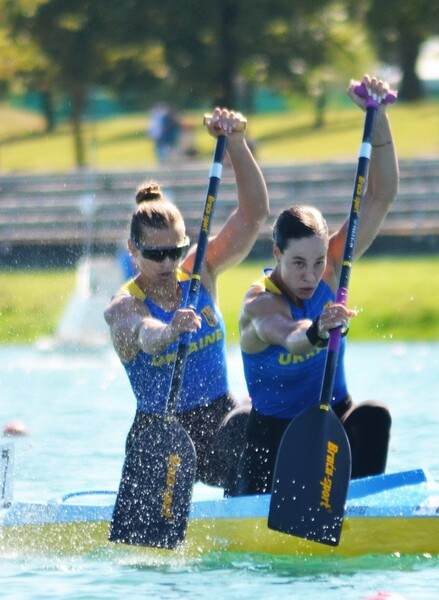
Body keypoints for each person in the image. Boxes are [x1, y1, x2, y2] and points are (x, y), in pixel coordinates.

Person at [232, 75, 398, 496]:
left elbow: (381, 195)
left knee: (374, 415)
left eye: (319, 262)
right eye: (298, 264)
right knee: (253, 441)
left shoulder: (332, 269)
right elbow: (289, 337)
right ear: (276, 254)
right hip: (274, 434)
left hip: (331, 416)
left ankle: (360, 511)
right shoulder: (259, 304)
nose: (311, 275)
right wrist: (320, 330)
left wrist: (376, 118)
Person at [104, 107, 269, 489]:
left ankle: (251, 508)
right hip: (160, 434)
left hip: (219, 423)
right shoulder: (124, 306)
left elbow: (254, 213)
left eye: (174, 251)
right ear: (133, 249)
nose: (167, 262)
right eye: (155, 254)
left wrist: (238, 143)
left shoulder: (200, 272)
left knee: (257, 415)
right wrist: (168, 330)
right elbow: (143, 333)